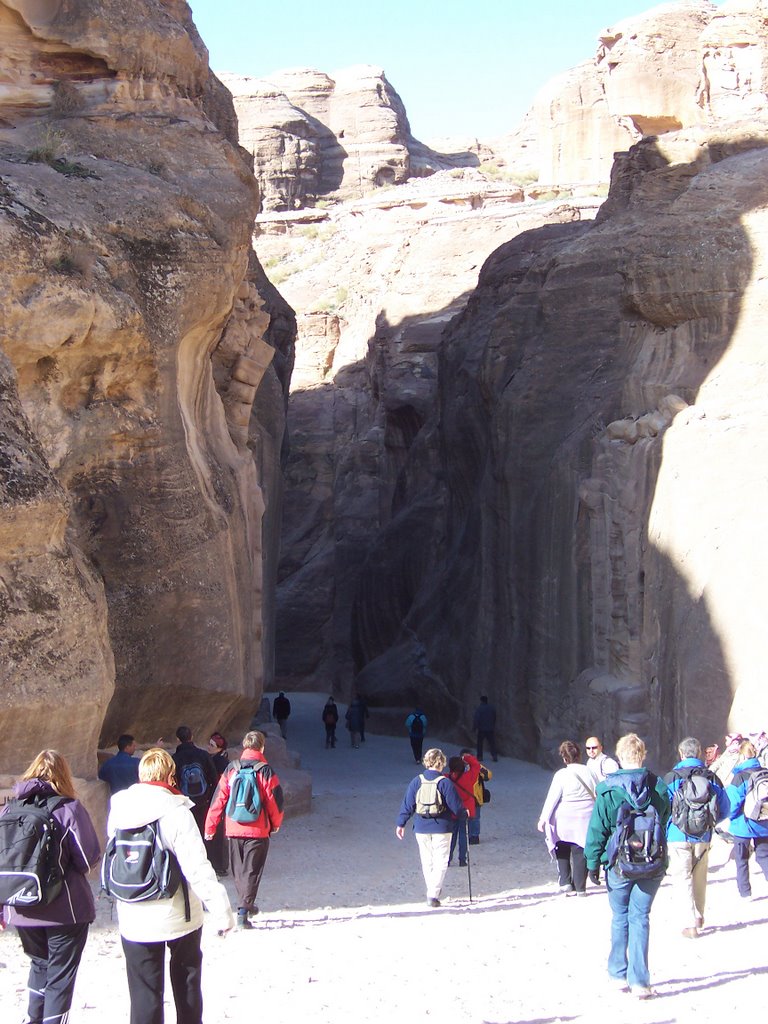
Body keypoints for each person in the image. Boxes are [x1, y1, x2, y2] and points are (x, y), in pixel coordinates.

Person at [108, 748, 234, 1024]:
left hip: (133, 912)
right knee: (187, 983)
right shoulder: (176, 811)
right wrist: (222, 910)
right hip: (179, 915)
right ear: (171, 776)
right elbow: (197, 867)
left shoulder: (119, 810)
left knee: (144, 994)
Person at [1, 749, 101, 1024]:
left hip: (19, 906)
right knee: (60, 975)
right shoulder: (68, 808)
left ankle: (34, 1018)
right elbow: (87, 857)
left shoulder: (10, 809)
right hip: (65, 908)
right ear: (63, 775)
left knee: (39, 964)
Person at [585, 733, 670, 999]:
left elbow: (597, 828)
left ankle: (617, 973)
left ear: (619, 757)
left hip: (619, 862)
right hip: (651, 861)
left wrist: (593, 861)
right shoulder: (658, 787)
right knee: (640, 917)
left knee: (620, 916)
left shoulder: (608, 790)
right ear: (642, 754)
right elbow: (665, 817)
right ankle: (640, 981)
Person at [205, 730, 284, 929]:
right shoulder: (265, 770)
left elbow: (219, 799)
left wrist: (210, 826)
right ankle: (243, 910)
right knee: (252, 870)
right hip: (258, 828)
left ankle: (245, 904)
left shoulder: (232, 768)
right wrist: (275, 824)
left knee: (239, 870)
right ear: (262, 747)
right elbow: (275, 802)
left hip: (233, 826)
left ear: (244, 747)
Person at [664, 736, 726, 937]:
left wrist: (667, 828)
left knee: (682, 878)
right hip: (704, 835)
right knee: (700, 876)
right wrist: (710, 822)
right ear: (699, 753)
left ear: (681, 754)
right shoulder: (711, 777)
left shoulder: (671, 778)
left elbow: (663, 807)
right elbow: (724, 807)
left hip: (677, 834)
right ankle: (698, 916)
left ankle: (689, 923)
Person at [395, 748, 467, 907]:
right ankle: (433, 893)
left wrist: (401, 823)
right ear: (441, 763)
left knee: (427, 861)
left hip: (421, 827)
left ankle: (431, 890)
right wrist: (465, 814)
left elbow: (408, 804)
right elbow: (456, 807)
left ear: (427, 761)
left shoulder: (417, 781)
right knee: (441, 861)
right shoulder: (445, 782)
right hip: (442, 827)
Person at [537, 740, 596, 896]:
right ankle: (580, 887)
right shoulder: (589, 772)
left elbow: (552, 798)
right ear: (579, 755)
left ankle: (564, 882)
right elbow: (598, 793)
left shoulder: (561, 774)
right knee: (580, 850)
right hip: (585, 818)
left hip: (564, 818)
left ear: (564, 758)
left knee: (561, 846)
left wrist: (543, 819)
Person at [725, 738, 768, 899]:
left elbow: (733, 803)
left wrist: (730, 818)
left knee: (741, 859)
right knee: (764, 855)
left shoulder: (740, 777)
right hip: (764, 822)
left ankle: (745, 892)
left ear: (742, 757)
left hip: (743, 825)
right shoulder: (765, 772)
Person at [172, 726, 218, 837]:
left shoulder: (175, 758)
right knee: (203, 832)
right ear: (192, 737)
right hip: (203, 800)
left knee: (188, 833)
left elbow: (173, 781)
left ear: (177, 739)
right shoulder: (204, 755)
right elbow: (214, 778)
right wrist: (209, 797)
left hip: (185, 803)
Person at [447, 752, 481, 867]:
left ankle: (448, 859)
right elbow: (476, 765)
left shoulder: (447, 778)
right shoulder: (469, 777)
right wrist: (466, 757)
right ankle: (462, 860)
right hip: (465, 810)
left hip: (452, 810)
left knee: (451, 836)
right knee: (463, 835)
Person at [205, 733, 230, 877]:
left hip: (218, 799)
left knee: (218, 834)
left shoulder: (219, 762)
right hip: (216, 799)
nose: (208, 746)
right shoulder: (220, 760)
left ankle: (219, 865)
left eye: (212, 745)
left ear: (219, 748)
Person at [461, 746, 491, 845]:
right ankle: (465, 835)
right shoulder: (459, 767)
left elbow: (488, 776)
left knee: (475, 817)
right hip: (463, 797)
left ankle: (474, 836)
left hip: (476, 797)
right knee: (464, 817)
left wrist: (477, 765)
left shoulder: (477, 767)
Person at [473, 696, 498, 761]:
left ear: (481, 701)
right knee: (492, 743)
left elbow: (476, 719)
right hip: (490, 728)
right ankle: (494, 755)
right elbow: (494, 717)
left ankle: (480, 756)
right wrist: (492, 725)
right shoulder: (492, 708)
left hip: (481, 729)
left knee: (480, 743)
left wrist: (474, 728)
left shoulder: (480, 708)